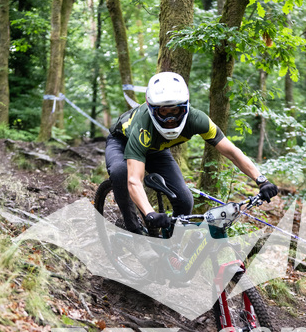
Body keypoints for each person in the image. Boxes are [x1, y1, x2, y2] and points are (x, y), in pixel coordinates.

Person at [105, 71, 278, 233]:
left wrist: (261, 180)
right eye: (163, 111)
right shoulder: (143, 128)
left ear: (185, 107)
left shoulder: (197, 120)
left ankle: (172, 244)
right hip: (122, 143)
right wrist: (150, 213)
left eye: (175, 110)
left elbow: (232, 152)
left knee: (184, 200)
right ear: (153, 110)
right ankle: (133, 228)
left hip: (156, 151)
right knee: (121, 172)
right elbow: (134, 180)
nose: (170, 119)